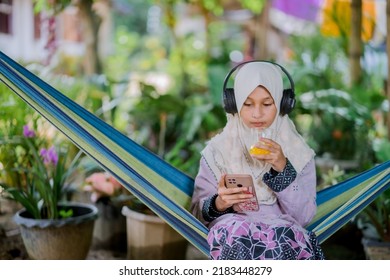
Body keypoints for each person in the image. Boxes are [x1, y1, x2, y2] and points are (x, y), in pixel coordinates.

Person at [190, 61, 325, 260]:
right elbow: (197, 214)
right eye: (247, 103)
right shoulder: (217, 151)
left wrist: (282, 168)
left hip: (281, 228)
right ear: (234, 104)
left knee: (288, 237)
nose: (257, 113)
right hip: (233, 230)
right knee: (238, 234)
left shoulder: (298, 152)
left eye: (267, 104)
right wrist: (220, 202)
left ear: (282, 103)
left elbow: (303, 217)